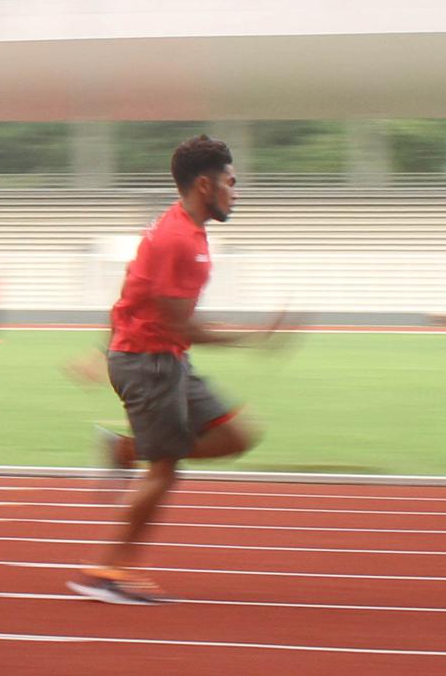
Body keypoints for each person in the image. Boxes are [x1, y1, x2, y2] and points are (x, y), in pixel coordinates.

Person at [67, 135, 282, 605]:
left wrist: (102, 351)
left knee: (235, 437)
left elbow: (132, 294)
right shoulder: (176, 239)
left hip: (162, 358)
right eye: (231, 182)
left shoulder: (182, 228)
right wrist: (253, 336)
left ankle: (127, 447)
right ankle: (108, 572)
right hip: (150, 364)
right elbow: (179, 324)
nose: (236, 192)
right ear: (206, 184)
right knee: (163, 472)